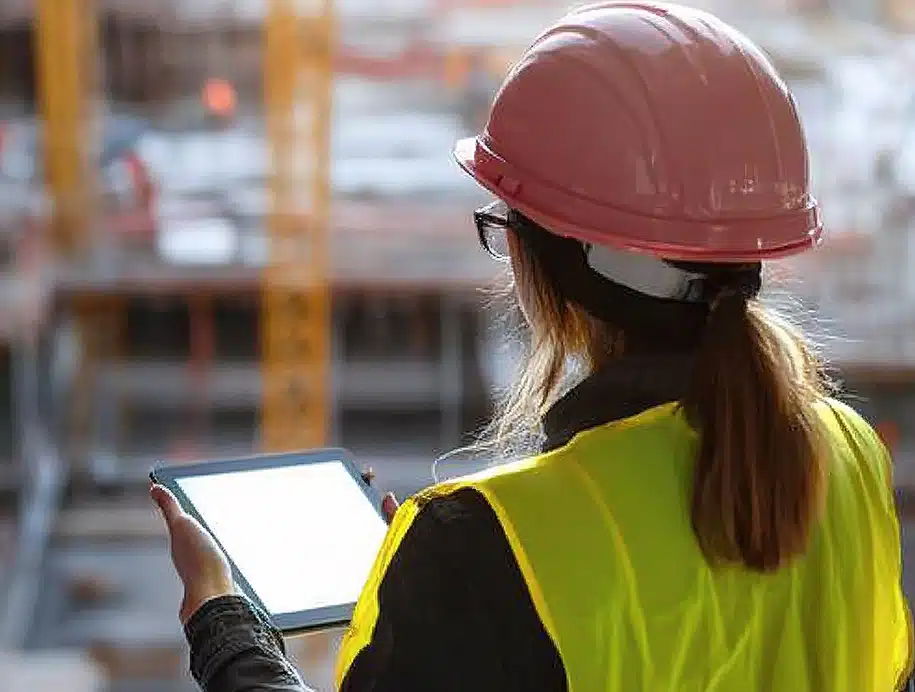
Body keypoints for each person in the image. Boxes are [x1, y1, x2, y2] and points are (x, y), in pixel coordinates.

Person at [152, 3, 913, 690]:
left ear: (553, 260)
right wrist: (450, 587)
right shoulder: (849, 456)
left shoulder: (483, 544)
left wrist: (224, 626)